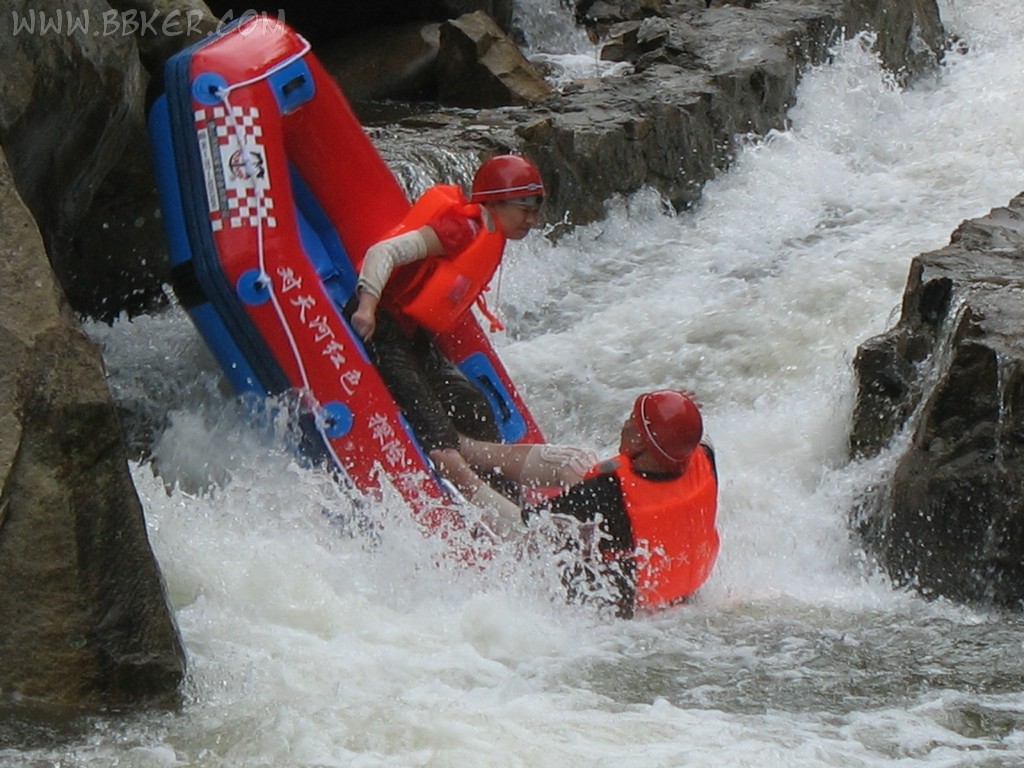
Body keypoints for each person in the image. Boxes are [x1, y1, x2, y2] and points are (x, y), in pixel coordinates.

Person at [350, 154, 586, 527]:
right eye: (525, 209)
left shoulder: (493, 232)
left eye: (536, 209)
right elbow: (384, 253)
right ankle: (510, 523)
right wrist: (366, 306)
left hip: (414, 334)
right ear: (494, 202)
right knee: (442, 444)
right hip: (383, 327)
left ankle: (511, 493)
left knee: (474, 405)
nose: (533, 220)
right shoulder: (460, 227)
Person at [464, 390, 720, 617]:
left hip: (613, 611)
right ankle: (472, 450)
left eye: (631, 420)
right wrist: (675, 410)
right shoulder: (705, 459)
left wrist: (464, 479)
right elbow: (689, 435)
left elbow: (528, 525)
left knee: (574, 465)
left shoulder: (606, 492)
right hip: (680, 595)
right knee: (584, 468)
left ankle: (464, 452)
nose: (625, 424)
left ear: (642, 441)